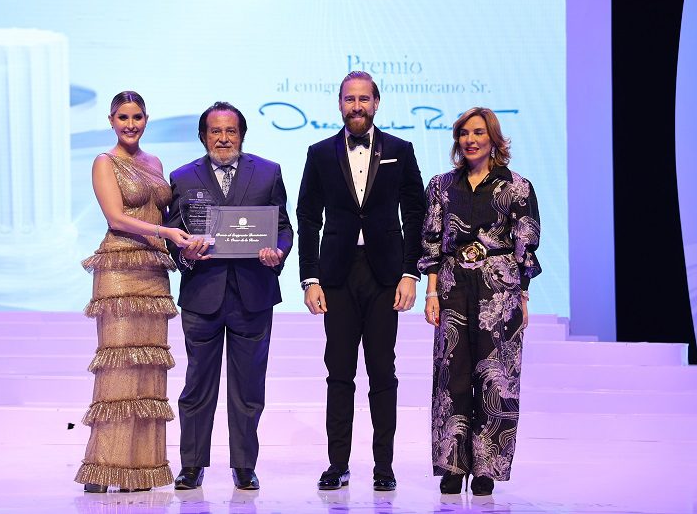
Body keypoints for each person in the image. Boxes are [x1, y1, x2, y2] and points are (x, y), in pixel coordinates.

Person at [296, 71, 426, 492]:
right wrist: (309, 278)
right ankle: (337, 464)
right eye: (349, 99)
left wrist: (410, 272)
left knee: (382, 371)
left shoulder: (400, 150)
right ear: (339, 104)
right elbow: (307, 217)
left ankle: (384, 466)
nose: (357, 106)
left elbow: (416, 214)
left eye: (364, 99)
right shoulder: (319, 153)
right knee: (339, 372)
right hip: (336, 275)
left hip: (386, 275)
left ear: (376, 103)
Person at [166, 101, 293, 491]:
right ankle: (192, 466)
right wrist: (184, 254)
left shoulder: (268, 172)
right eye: (215, 131)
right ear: (203, 136)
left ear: (242, 135)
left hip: (253, 293)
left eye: (231, 131)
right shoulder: (182, 176)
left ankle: (244, 465)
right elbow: (174, 233)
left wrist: (278, 252)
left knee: (249, 388)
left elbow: (283, 228)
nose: (223, 138)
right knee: (196, 387)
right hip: (202, 294)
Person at [418, 107, 541, 496]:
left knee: (495, 378)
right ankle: (453, 465)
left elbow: (526, 245)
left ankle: (486, 467)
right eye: (464, 133)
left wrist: (523, 296)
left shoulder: (516, 187)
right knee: (451, 374)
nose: (470, 140)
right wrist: (431, 293)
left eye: (478, 132)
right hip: (453, 286)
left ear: (493, 138)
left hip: (500, 291)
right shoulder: (441, 185)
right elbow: (432, 241)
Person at [75, 91, 192, 493]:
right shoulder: (104, 162)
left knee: (148, 368)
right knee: (120, 367)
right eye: (123, 117)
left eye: (137, 117)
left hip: (154, 272)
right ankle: (104, 468)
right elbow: (116, 218)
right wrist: (165, 232)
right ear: (111, 120)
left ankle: (138, 471)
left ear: (146, 119)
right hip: (120, 272)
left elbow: (168, 213)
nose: (130, 124)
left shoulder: (155, 162)